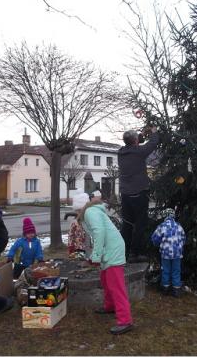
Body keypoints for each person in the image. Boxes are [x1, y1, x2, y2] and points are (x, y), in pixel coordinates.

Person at [77, 192, 133, 335]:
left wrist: (95, 256)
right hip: (109, 248)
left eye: (76, 209)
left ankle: (125, 320)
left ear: (80, 206)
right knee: (106, 280)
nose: (76, 212)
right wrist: (96, 255)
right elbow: (97, 235)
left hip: (113, 249)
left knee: (116, 285)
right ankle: (110, 306)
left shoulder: (89, 212)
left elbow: (99, 232)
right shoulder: (91, 211)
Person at [118, 126, 159, 263]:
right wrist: (153, 132)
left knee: (127, 224)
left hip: (125, 195)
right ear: (135, 141)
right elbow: (153, 143)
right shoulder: (139, 152)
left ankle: (124, 253)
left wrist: (140, 135)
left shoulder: (121, 152)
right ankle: (135, 254)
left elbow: (134, 143)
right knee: (140, 224)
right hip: (139, 194)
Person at [150, 208, 186, 297]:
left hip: (165, 253)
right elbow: (183, 238)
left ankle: (165, 288)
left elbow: (155, 238)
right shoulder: (179, 226)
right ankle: (176, 289)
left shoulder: (162, 226)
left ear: (164, 216)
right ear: (173, 216)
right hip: (177, 253)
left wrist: (157, 244)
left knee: (166, 270)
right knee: (176, 270)